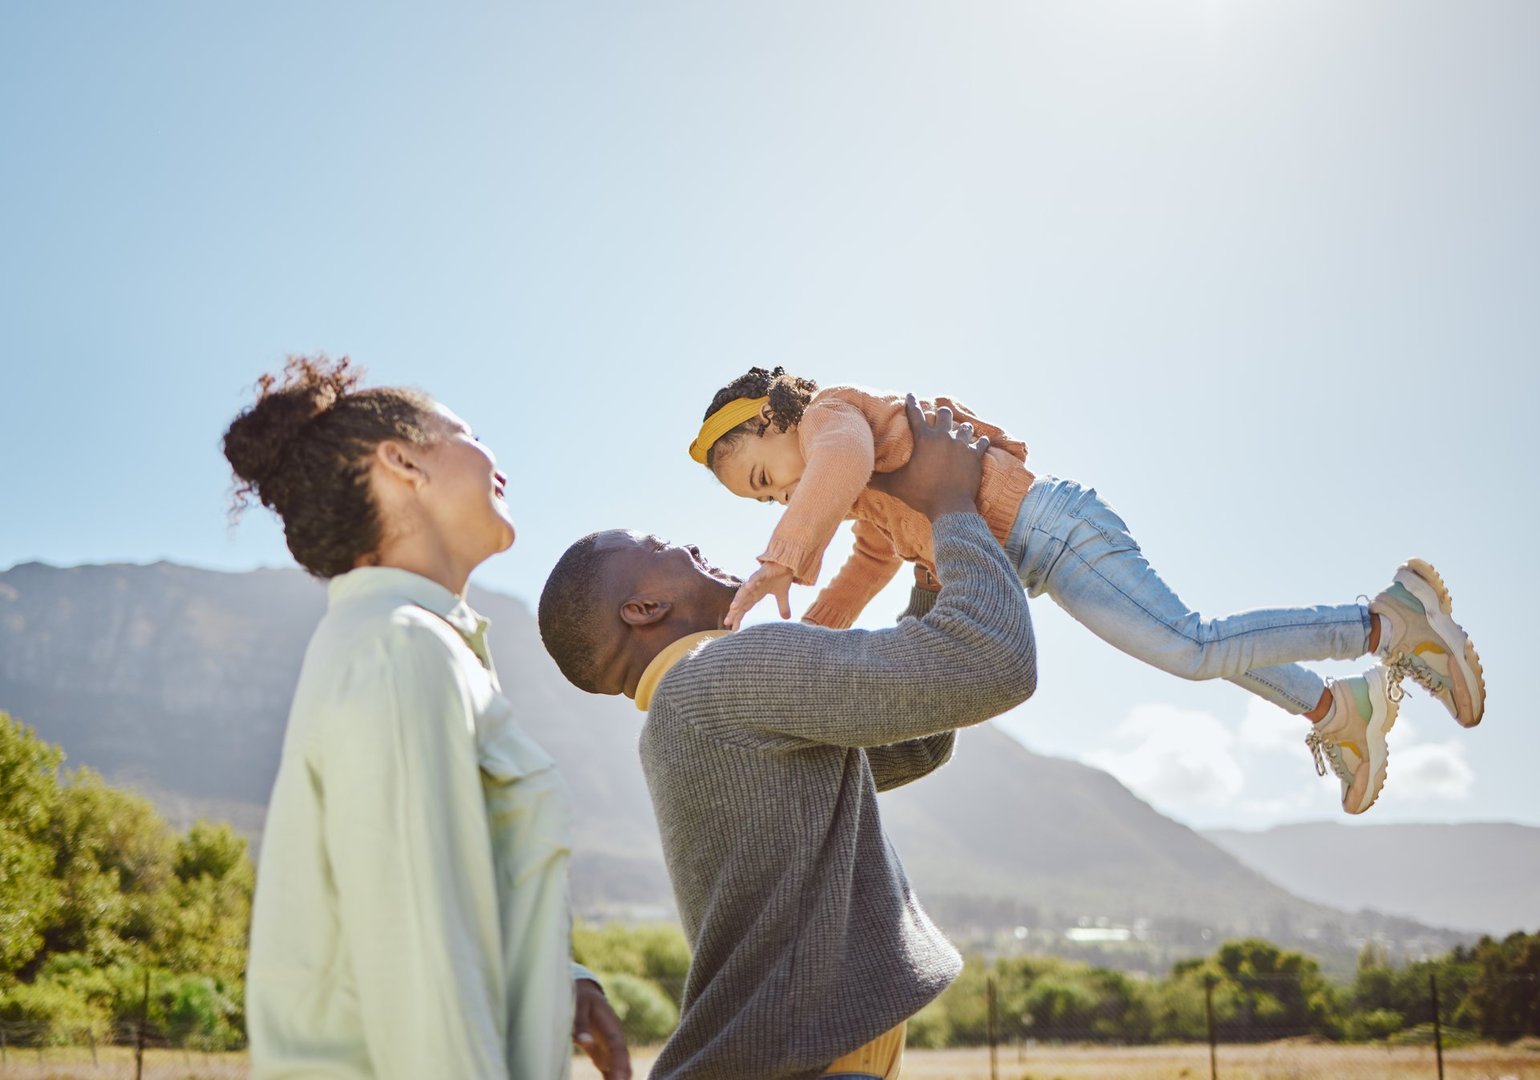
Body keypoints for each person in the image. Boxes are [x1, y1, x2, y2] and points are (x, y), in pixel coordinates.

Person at [688, 367, 1486, 816]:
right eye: (763, 501)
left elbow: (838, 460)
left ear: (775, 417)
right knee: (1185, 643)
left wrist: (783, 557)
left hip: (1055, 526)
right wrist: (793, 646)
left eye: (764, 478)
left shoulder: (834, 417)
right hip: (1039, 557)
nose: (775, 498)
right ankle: (1338, 711)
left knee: (1191, 645)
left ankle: (1385, 624)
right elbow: (864, 571)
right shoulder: (865, 506)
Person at [538, 398, 1037, 1080]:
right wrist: (949, 502)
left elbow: (918, 743)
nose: (689, 545)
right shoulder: (717, 676)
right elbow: (991, 663)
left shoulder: (687, 713)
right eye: (663, 550)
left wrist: (926, 560)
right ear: (644, 609)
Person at [222, 356, 629, 1080]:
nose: (492, 455)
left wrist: (556, 980)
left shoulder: (420, 646)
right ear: (403, 461)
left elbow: (447, 888)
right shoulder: (399, 651)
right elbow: (422, 965)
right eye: (465, 433)